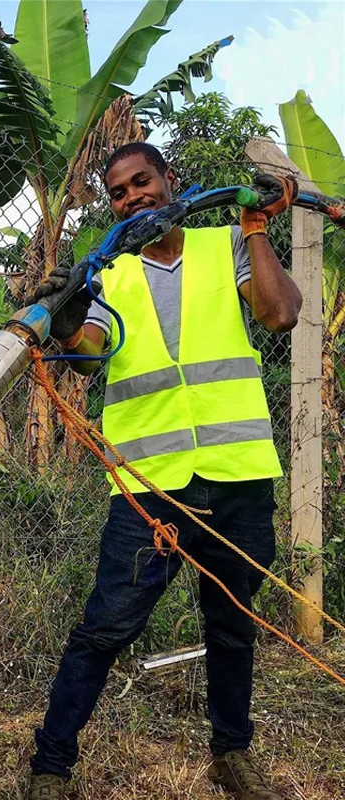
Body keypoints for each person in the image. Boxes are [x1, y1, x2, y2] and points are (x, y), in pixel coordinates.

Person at [27, 142, 301, 800]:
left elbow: (279, 312)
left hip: (237, 475)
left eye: (142, 182)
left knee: (232, 624)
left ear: (171, 180)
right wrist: (67, 324)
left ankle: (232, 757)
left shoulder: (223, 245)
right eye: (118, 193)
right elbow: (89, 353)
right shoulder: (109, 272)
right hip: (149, 488)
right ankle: (50, 766)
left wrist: (256, 227)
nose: (132, 198)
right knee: (106, 627)